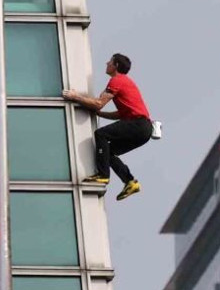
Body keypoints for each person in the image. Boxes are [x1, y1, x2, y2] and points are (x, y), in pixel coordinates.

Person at [62, 53, 152, 200]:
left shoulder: (117, 80)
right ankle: (130, 181)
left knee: (101, 134)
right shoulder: (125, 82)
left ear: (116, 65)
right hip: (143, 129)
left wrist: (75, 96)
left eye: (110, 61)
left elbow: (98, 103)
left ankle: (103, 175)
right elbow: (119, 114)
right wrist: (99, 114)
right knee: (108, 152)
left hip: (138, 124)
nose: (106, 63)